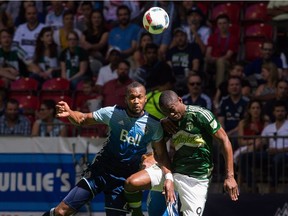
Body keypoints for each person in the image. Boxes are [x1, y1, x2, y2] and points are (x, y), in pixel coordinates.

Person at [42, 81, 174, 216]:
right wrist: (69, 112)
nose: (136, 101)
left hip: (122, 181)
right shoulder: (113, 113)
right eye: (132, 97)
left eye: (139, 97)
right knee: (61, 212)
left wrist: (168, 177)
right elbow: (82, 119)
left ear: (145, 99)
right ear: (126, 99)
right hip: (99, 173)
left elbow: (161, 154)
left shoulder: (153, 125)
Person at [124, 90, 239, 216]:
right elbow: (159, 150)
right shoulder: (168, 123)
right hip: (174, 170)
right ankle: (136, 213)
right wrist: (161, 123)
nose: (172, 114)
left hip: (196, 179)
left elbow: (225, 141)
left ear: (180, 100)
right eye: (167, 112)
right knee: (131, 182)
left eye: (172, 109)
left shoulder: (200, 115)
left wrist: (230, 176)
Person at [205, 14, 239, 89]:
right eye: (220, 24)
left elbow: (228, 56)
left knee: (220, 61)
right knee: (204, 60)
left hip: (226, 62)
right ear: (217, 25)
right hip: (213, 60)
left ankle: (219, 89)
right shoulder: (213, 37)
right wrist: (209, 58)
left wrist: (215, 59)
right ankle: (202, 85)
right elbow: (208, 52)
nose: (222, 26)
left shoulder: (233, 38)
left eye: (224, 23)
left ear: (228, 24)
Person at [166, 27, 202, 96]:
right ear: (174, 38)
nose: (180, 38)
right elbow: (168, 67)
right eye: (177, 36)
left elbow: (196, 64)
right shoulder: (171, 51)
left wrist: (192, 73)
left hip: (188, 76)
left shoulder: (193, 47)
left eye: (182, 35)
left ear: (186, 36)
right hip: (175, 78)